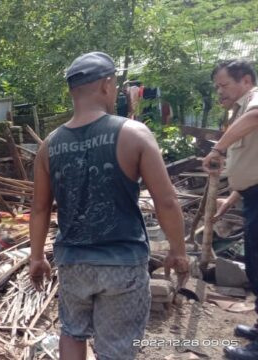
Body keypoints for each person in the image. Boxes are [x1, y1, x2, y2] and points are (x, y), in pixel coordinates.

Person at [28, 52, 189, 360]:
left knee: (72, 333)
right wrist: (178, 250)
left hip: (73, 263)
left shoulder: (50, 145)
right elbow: (165, 201)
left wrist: (37, 258)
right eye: (115, 85)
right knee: (117, 349)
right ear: (105, 85)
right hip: (122, 264)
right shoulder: (134, 133)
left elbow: (39, 208)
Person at [202, 59, 258, 360]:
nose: (219, 91)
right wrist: (231, 199)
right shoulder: (240, 111)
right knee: (255, 264)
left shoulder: (255, 101)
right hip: (252, 196)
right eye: (217, 87)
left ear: (246, 80)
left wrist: (217, 148)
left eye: (224, 85)